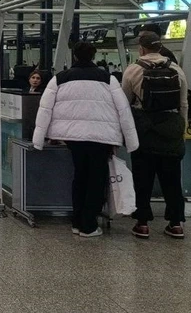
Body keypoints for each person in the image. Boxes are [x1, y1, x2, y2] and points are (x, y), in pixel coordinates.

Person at [33, 41, 139, 238]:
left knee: (80, 176)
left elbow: (45, 109)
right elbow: (124, 111)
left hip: (73, 137)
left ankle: (77, 221)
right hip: (101, 137)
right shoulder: (108, 79)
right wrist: (131, 141)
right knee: (96, 179)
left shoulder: (60, 78)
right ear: (93, 56)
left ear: (74, 56)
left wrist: (38, 139)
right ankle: (88, 225)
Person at [122, 32, 188, 239]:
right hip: (171, 131)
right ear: (160, 47)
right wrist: (180, 127)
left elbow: (125, 104)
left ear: (141, 49)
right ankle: (176, 224)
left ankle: (142, 224)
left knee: (143, 179)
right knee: (172, 180)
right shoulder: (176, 69)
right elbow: (183, 104)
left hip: (144, 131)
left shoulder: (133, 70)